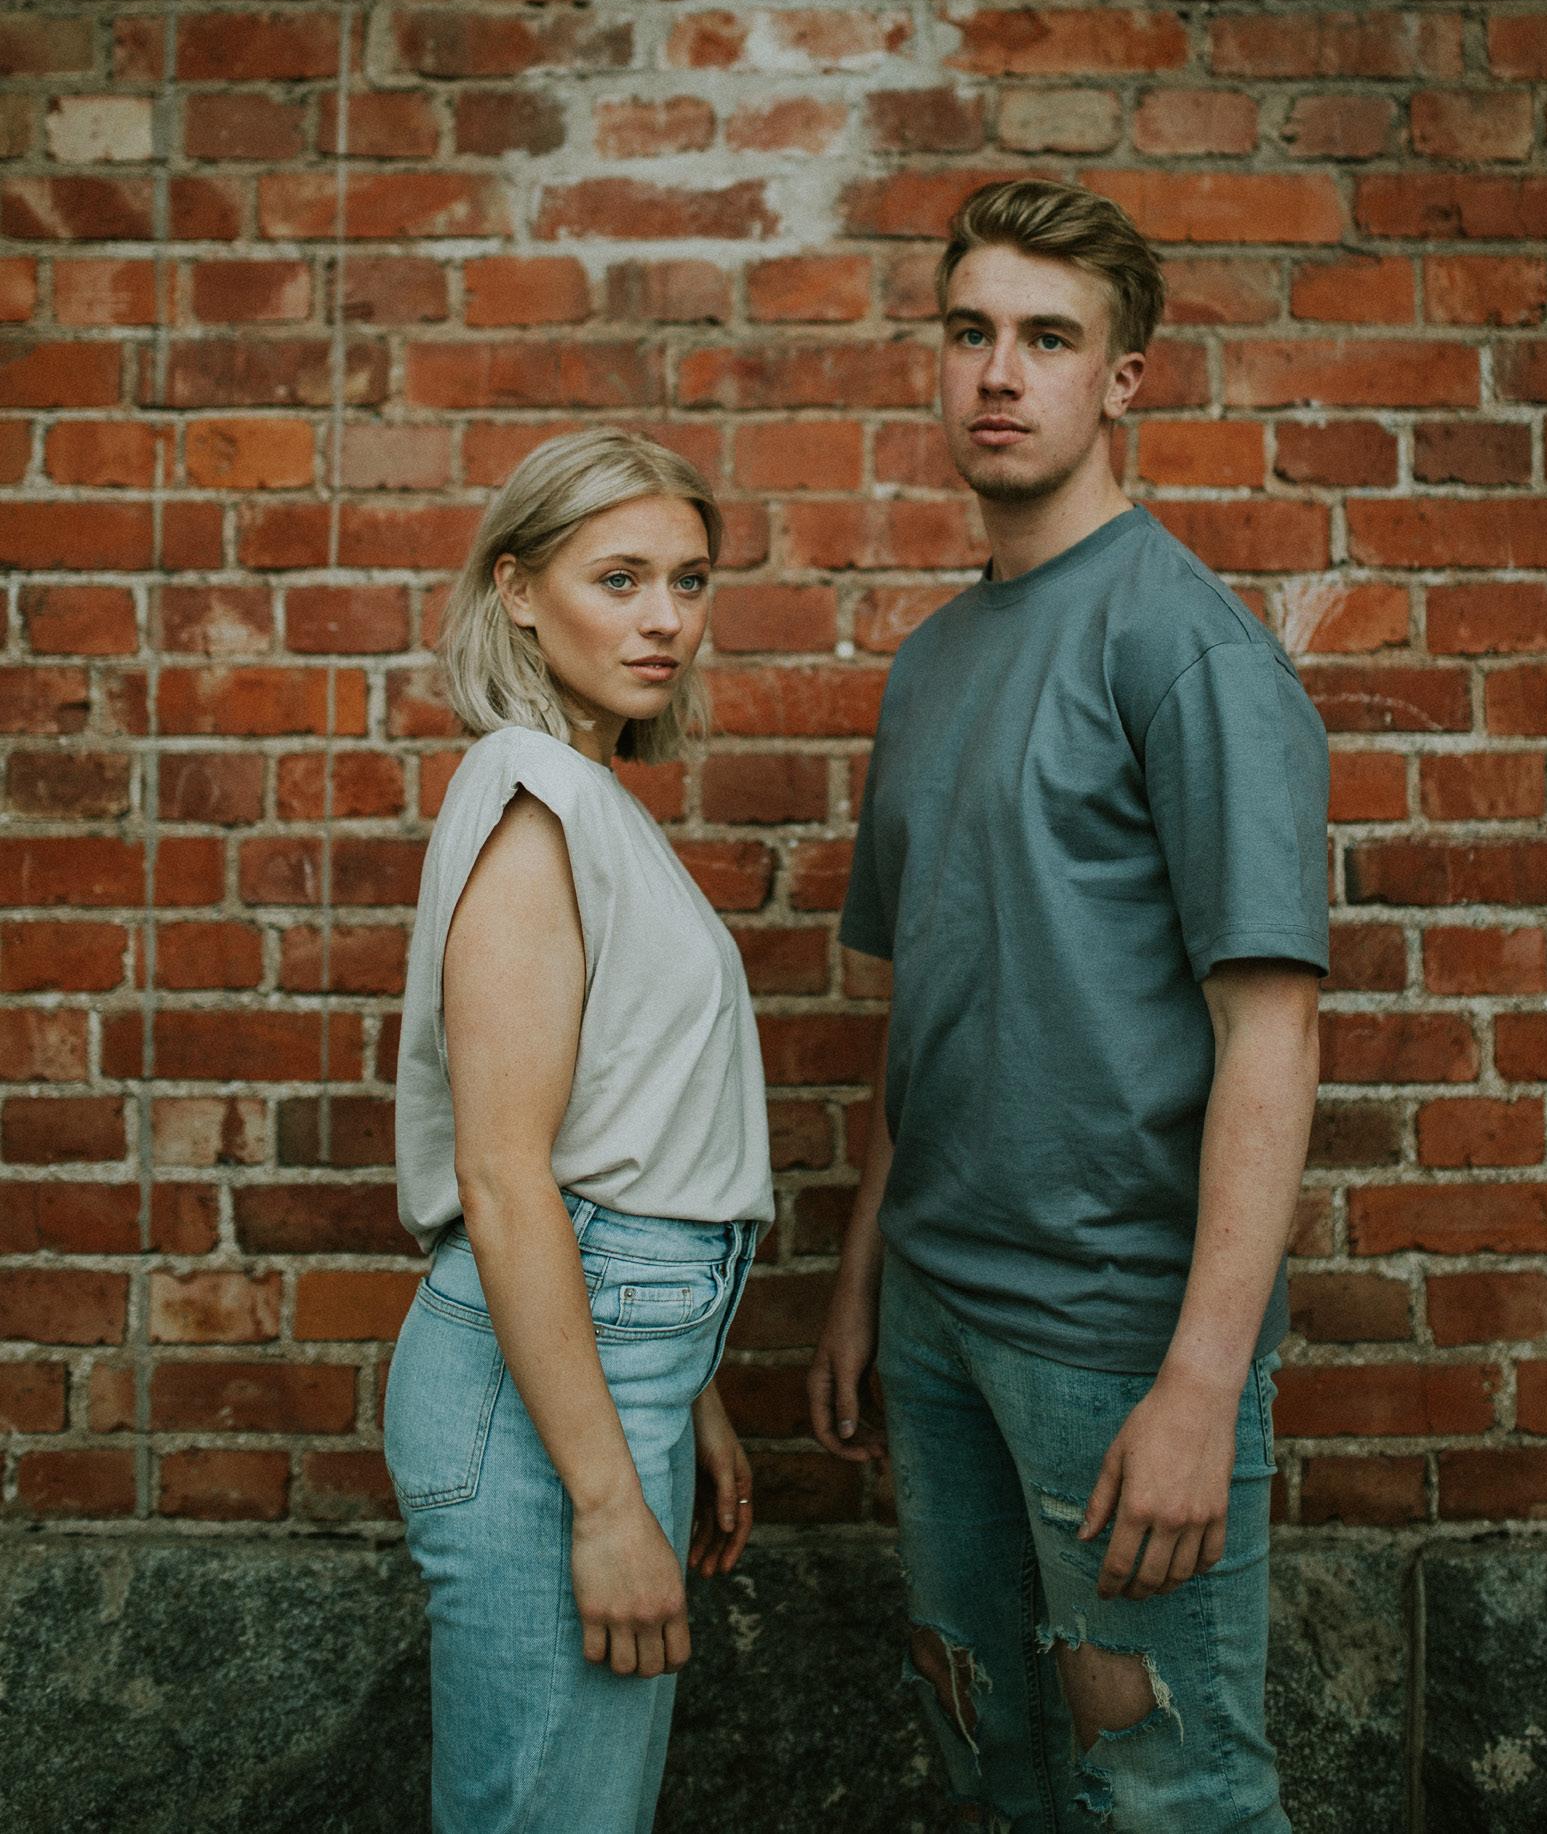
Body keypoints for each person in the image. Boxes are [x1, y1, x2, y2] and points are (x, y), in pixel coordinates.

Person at [809, 179, 1328, 1833]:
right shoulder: (930, 662)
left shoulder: (1186, 649)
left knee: (1174, 1794)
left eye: (1048, 338)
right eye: (970, 331)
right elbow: (930, 1005)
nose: (998, 372)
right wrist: (861, 1275)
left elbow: (1271, 1035)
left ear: (1123, 378)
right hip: (937, 1315)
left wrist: (1200, 1387)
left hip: (1109, 1340)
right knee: (996, 1770)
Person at [386, 427, 773, 1834]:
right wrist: (610, 1503)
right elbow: (504, 1175)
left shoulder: (583, 795)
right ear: (517, 590)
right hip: (544, 1403)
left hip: (611, 1365)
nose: (666, 617)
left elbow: (622, 1130)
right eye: (619, 578)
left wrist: (693, 1388)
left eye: (689, 579)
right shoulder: (532, 799)